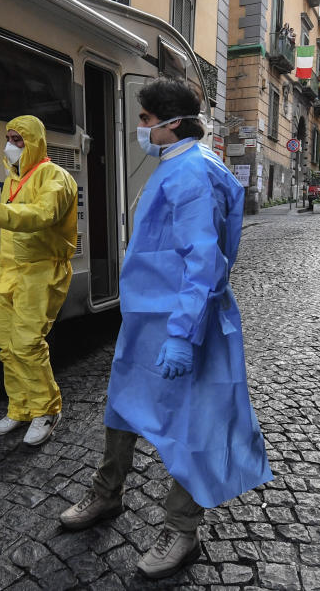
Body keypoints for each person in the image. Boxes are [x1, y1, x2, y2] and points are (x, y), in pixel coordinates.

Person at [58, 78, 273, 580]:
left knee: (190, 423)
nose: (139, 127)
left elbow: (204, 261)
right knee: (122, 408)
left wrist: (181, 332)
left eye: (145, 119)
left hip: (183, 323)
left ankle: (182, 530)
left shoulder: (193, 173)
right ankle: (106, 494)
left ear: (171, 122)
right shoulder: (178, 166)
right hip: (149, 321)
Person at [0, 116, 77, 446]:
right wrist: (2, 267)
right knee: (8, 348)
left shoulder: (55, 177)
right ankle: (20, 408)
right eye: (9, 138)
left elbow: (43, 215)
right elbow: (13, 237)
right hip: (12, 275)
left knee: (27, 345)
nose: (11, 145)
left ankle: (47, 409)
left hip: (41, 274)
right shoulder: (12, 180)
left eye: (18, 139)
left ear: (35, 141)